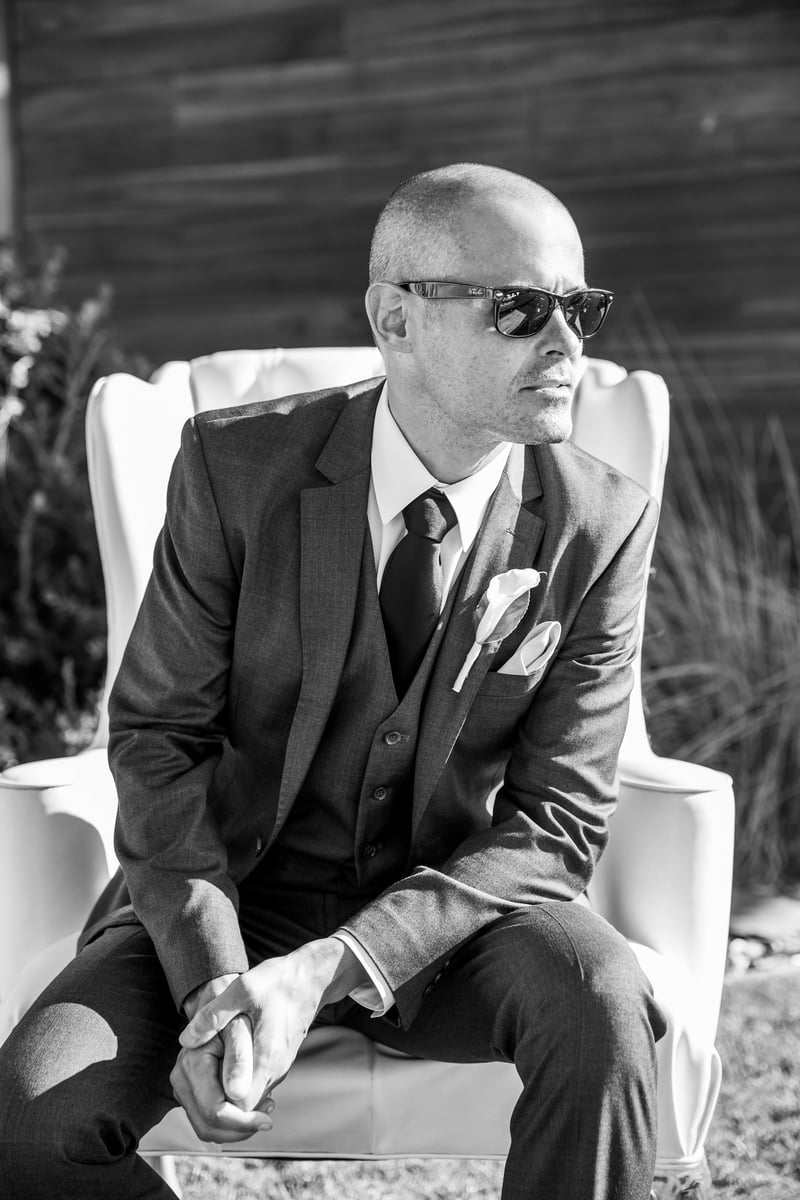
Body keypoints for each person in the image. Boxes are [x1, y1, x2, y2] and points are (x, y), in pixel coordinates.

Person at [0, 162, 667, 1200]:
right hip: (232, 894)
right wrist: (220, 987)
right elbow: (158, 739)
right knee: (29, 1126)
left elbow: (557, 822)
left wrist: (331, 966)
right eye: (519, 307)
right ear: (394, 318)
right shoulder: (236, 469)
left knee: (600, 1000)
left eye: (578, 308)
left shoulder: (601, 521)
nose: (566, 345)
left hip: (455, 919)